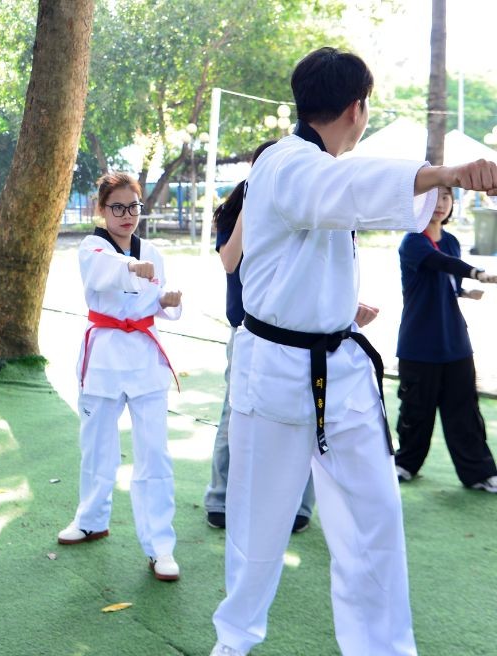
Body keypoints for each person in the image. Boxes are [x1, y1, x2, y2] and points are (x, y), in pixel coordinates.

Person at [209, 47, 497, 656]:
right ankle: (233, 643)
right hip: (277, 373)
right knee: (259, 528)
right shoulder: (287, 162)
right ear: (357, 108)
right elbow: (340, 187)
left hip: (339, 369)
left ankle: (385, 649)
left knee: (374, 521)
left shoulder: (315, 165)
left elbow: (340, 199)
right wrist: (444, 174)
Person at [57, 172, 184, 582]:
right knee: (98, 447)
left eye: (133, 207)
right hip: (105, 355)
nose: (127, 215)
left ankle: (160, 546)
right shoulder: (92, 247)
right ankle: (92, 519)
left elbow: (155, 300)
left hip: (145, 357)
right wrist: (132, 266)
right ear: (101, 210)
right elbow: (105, 273)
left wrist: (166, 301)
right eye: (118, 207)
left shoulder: (154, 252)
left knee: (155, 454)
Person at [204, 142, 316, 534]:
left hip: (299, 336)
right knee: (234, 415)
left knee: (305, 419)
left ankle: (299, 506)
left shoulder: (301, 204)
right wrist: (253, 202)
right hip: (247, 332)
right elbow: (229, 260)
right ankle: (219, 497)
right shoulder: (236, 206)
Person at [394, 185, 497, 491]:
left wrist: (464, 291)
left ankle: (479, 473)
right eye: (432, 197)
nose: (439, 204)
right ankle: (405, 463)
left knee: (465, 410)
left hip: (455, 342)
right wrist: (477, 273)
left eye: (445, 197)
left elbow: (446, 280)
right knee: (415, 410)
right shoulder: (412, 242)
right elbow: (439, 264)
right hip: (418, 344)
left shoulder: (450, 241)